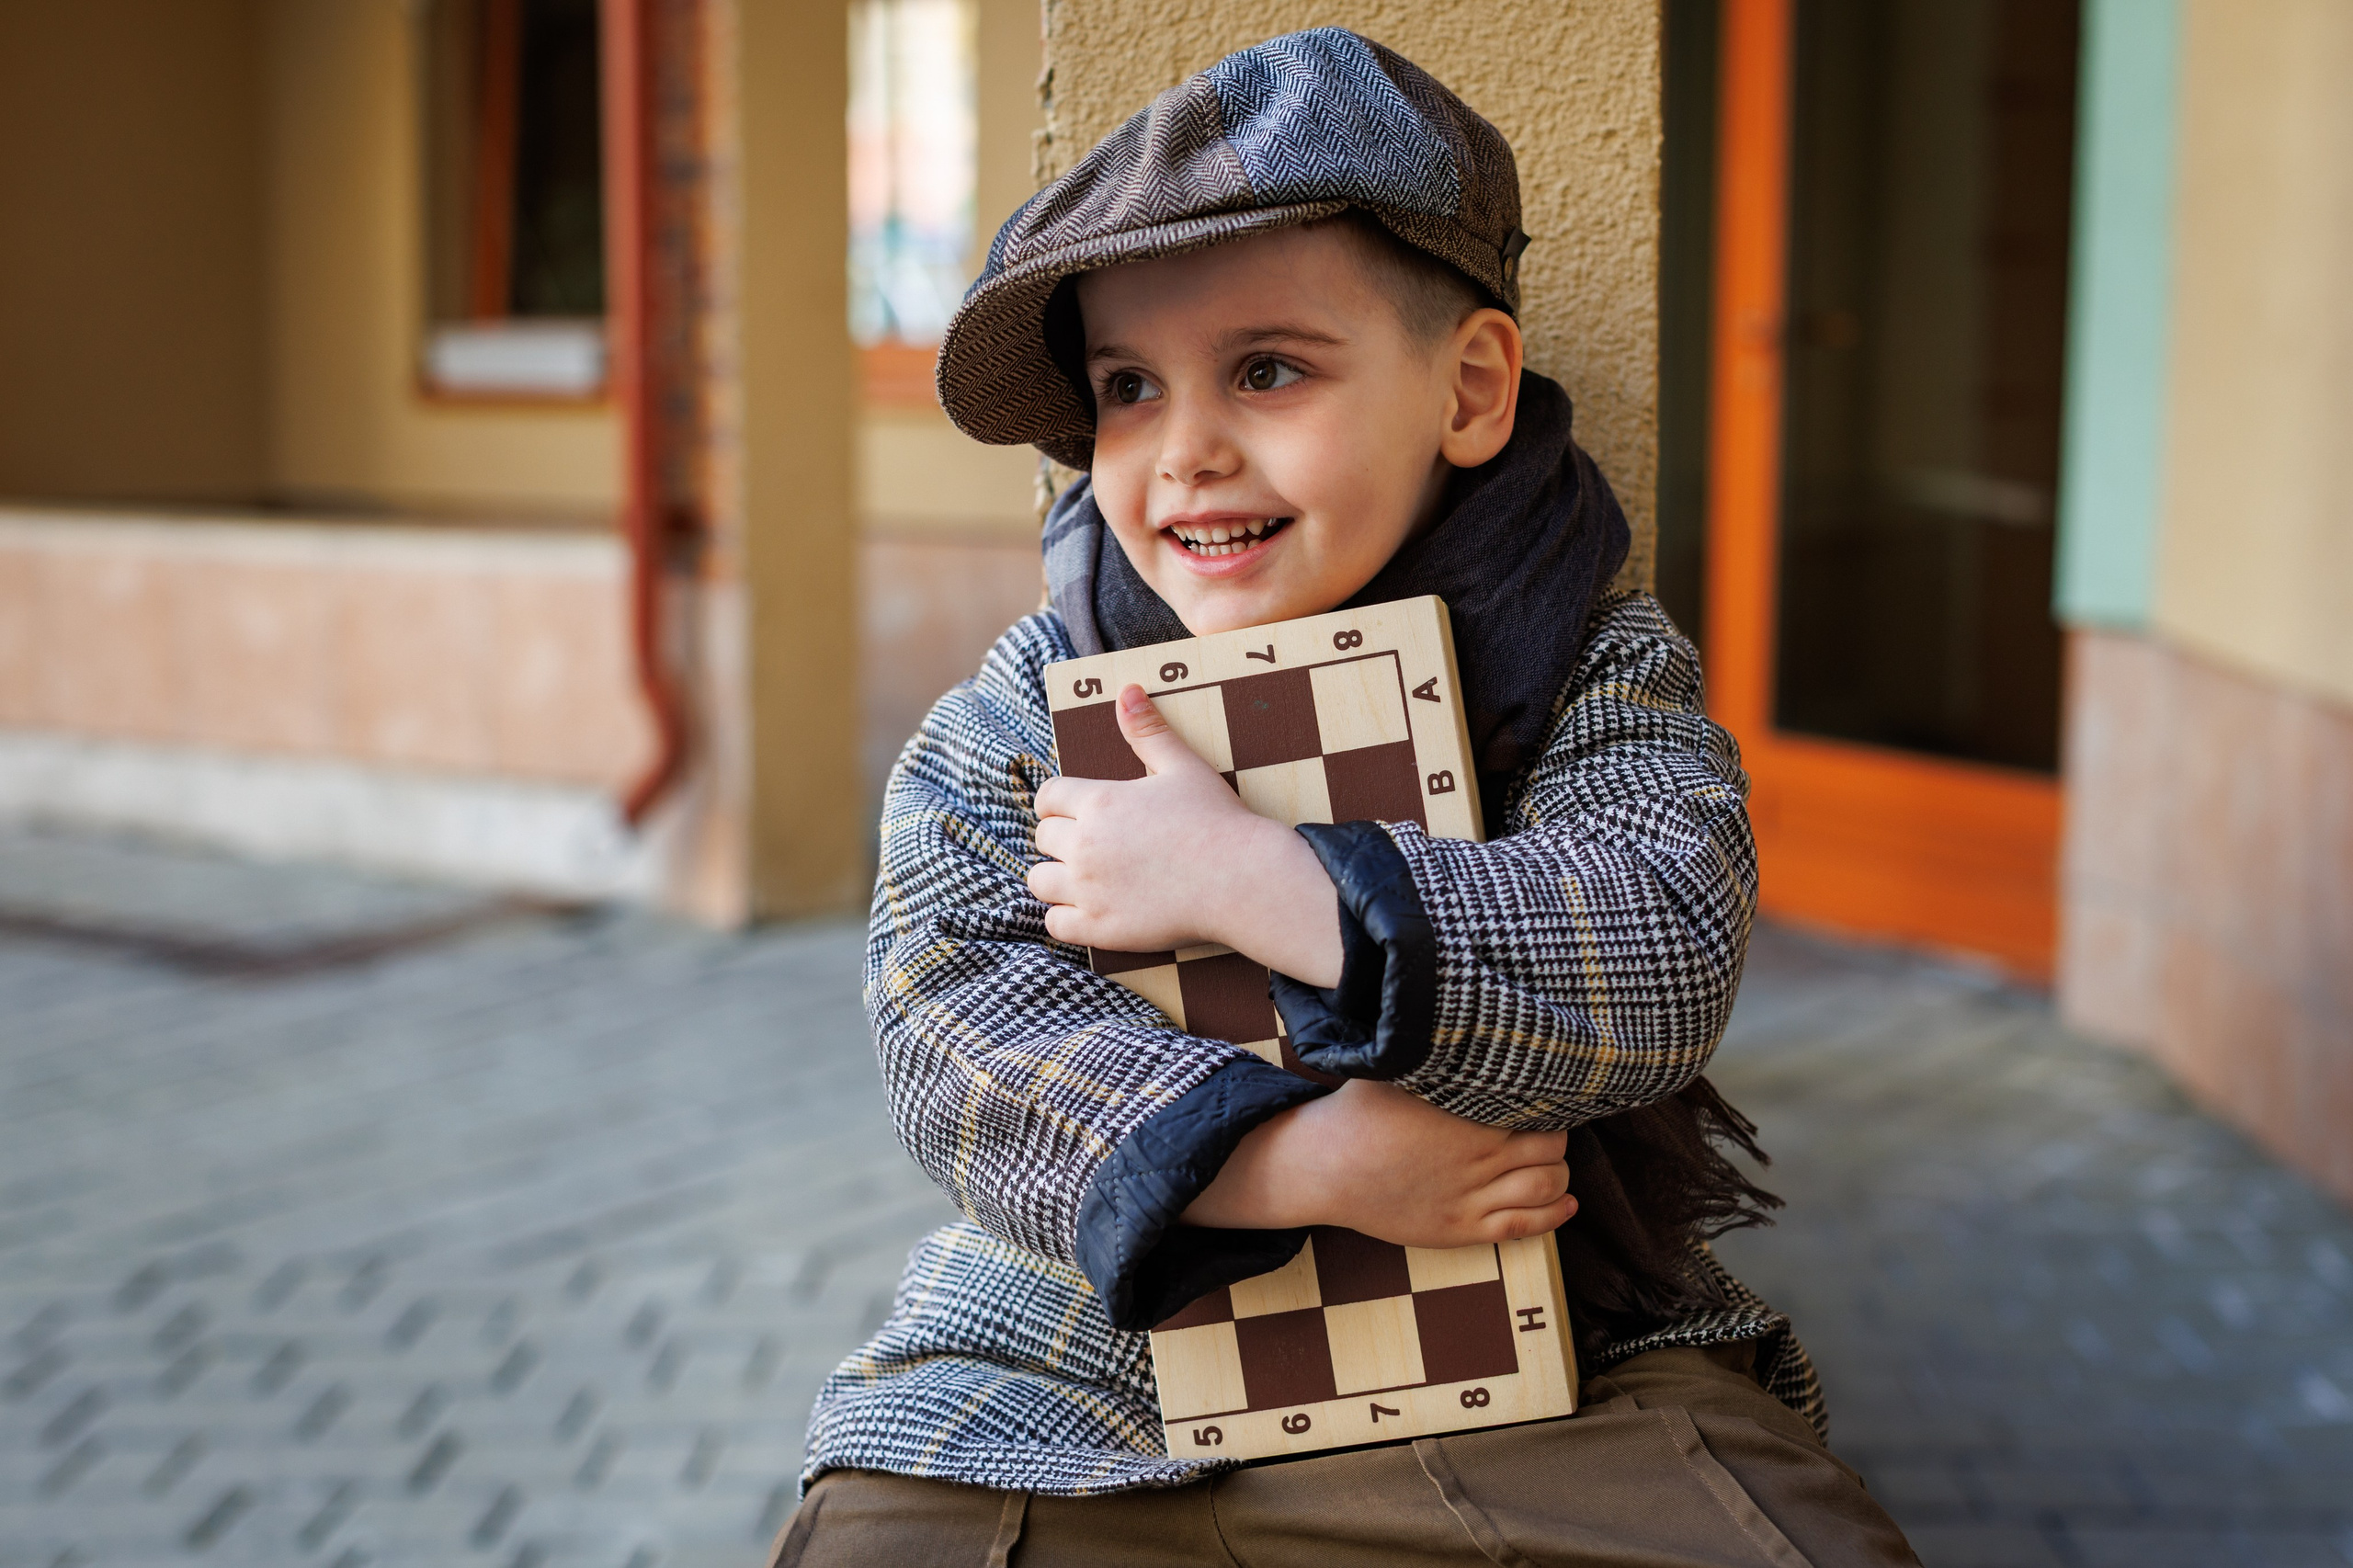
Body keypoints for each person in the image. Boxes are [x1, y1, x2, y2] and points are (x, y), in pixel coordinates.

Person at [775, 28, 1920, 1567]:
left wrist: (1258, 879)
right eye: (1126, 386)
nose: (1184, 450)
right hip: (1077, 1358)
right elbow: (945, 1011)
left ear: (1469, 387)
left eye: (1267, 368)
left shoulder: (1586, 659)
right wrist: (1293, 1165)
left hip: (1541, 1349)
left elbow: (1659, 943)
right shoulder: (1032, 702)